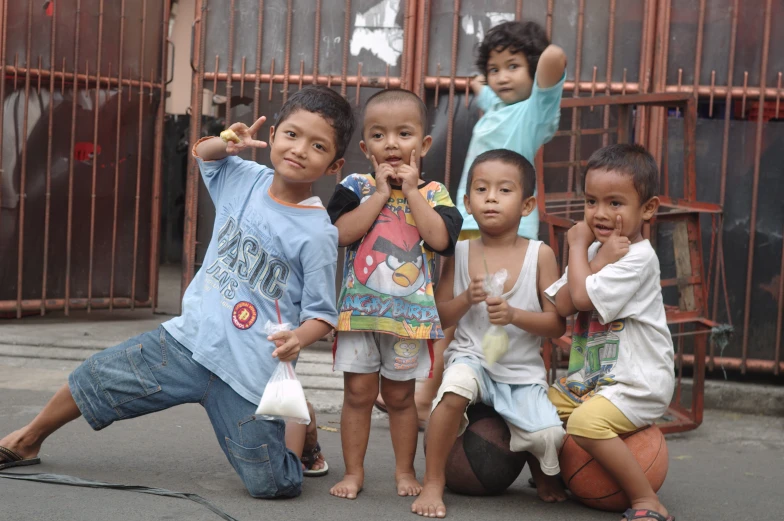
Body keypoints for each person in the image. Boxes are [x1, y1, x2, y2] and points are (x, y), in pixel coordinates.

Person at [0, 85, 356, 497]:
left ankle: (300, 426)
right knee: (94, 378)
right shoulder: (242, 176)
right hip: (188, 341)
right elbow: (202, 153)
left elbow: (323, 315)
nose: (299, 150)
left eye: (318, 145)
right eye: (292, 135)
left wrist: (298, 337)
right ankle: (26, 439)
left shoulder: (317, 234)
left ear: (335, 164)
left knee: (274, 485)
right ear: (273, 134)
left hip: (248, 372)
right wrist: (225, 142)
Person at [406, 20, 568, 427]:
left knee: (502, 319)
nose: (502, 77)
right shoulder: (498, 107)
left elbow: (553, 63)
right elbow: (487, 92)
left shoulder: (534, 113)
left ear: (531, 70)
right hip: (471, 230)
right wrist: (484, 82)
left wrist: (541, 55)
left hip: (510, 237)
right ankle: (429, 394)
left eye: (513, 66)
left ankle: (482, 399)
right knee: (457, 314)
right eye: (496, 68)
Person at [411, 149, 567, 518]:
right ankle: (434, 481)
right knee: (454, 389)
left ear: (527, 204)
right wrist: (466, 298)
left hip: (521, 370)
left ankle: (541, 474)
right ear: (466, 202)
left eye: (504, 190)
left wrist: (514, 314)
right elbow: (440, 317)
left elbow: (557, 324)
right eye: (481, 189)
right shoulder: (460, 252)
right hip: (472, 357)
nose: (491, 197)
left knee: (549, 437)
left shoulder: (539, 255)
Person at [326, 89, 462, 500]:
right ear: (366, 147)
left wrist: (413, 192)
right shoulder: (353, 186)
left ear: (422, 145)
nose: (392, 145)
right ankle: (354, 472)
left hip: (410, 322)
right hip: (359, 316)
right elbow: (340, 235)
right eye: (380, 136)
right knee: (358, 395)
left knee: (401, 399)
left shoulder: (435, 193)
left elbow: (440, 240)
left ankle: (405, 471)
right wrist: (381, 194)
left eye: (403, 134)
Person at [545, 143, 675, 521]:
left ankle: (647, 499)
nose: (600, 213)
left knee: (586, 423)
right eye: (591, 201)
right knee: (538, 408)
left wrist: (578, 245)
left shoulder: (638, 258)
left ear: (647, 208)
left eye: (615, 203)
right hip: (592, 380)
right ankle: (554, 477)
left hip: (636, 383)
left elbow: (582, 297)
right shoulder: (597, 252)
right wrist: (592, 257)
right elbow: (564, 305)